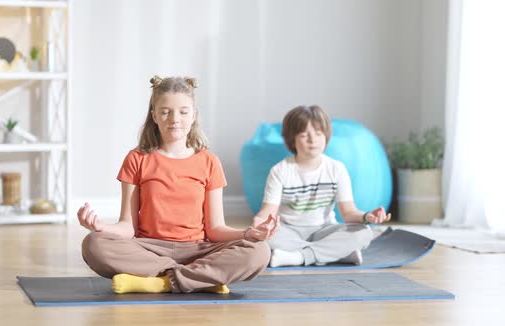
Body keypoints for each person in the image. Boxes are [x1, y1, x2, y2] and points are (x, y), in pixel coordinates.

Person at [79, 75, 279, 294]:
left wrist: (249, 234)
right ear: (154, 115)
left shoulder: (209, 162)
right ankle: (200, 278)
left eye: (183, 112)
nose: (174, 119)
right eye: (165, 111)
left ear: (193, 115)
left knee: (260, 251)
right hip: (149, 249)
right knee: (93, 244)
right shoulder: (137, 158)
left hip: (199, 249)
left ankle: (161, 282)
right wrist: (101, 227)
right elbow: (128, 226)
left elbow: (215, 230)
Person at [253, 105, 390, 268]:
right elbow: (268, 211)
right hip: (288, 231)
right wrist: (259, 222)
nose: (313, 140)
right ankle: (338, 255)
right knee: (265, 238)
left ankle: (297, 258)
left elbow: (349, 213)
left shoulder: (336, 169)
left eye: (318, 134)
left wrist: (367, 216)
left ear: (326, 136)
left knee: (364, 233)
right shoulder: (280, 171)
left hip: (324, 231)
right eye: (304, 135)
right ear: (292, 140)